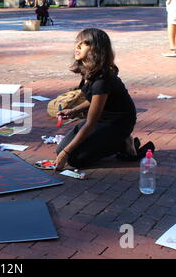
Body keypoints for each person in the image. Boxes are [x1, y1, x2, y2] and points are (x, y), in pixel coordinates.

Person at [55, 28, 145, 170]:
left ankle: (123, 141)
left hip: (118, 122)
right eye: (77, 43)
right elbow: (94, 100)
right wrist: (74, 111)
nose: (77, 46)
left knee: (75, 159)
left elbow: (90, 123)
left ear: (95, 50)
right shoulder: (88, 71)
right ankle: (112, 141)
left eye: (84, 44)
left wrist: (66, 152)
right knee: (61, 150)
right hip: (102, 119)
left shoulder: (102, 80)